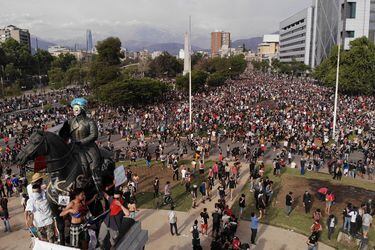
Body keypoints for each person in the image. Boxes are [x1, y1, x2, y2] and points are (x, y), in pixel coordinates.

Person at [59, 98, 101, 189]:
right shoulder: (70, 122)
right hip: (74, 147)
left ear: (82, 109)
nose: (74, 110)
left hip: (88, 147)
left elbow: (94, 135)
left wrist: (81, 141)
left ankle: (99, 187)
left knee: (94, 167)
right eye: (73, 108)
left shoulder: (89, 121)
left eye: (76, 108)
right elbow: (65, 134)